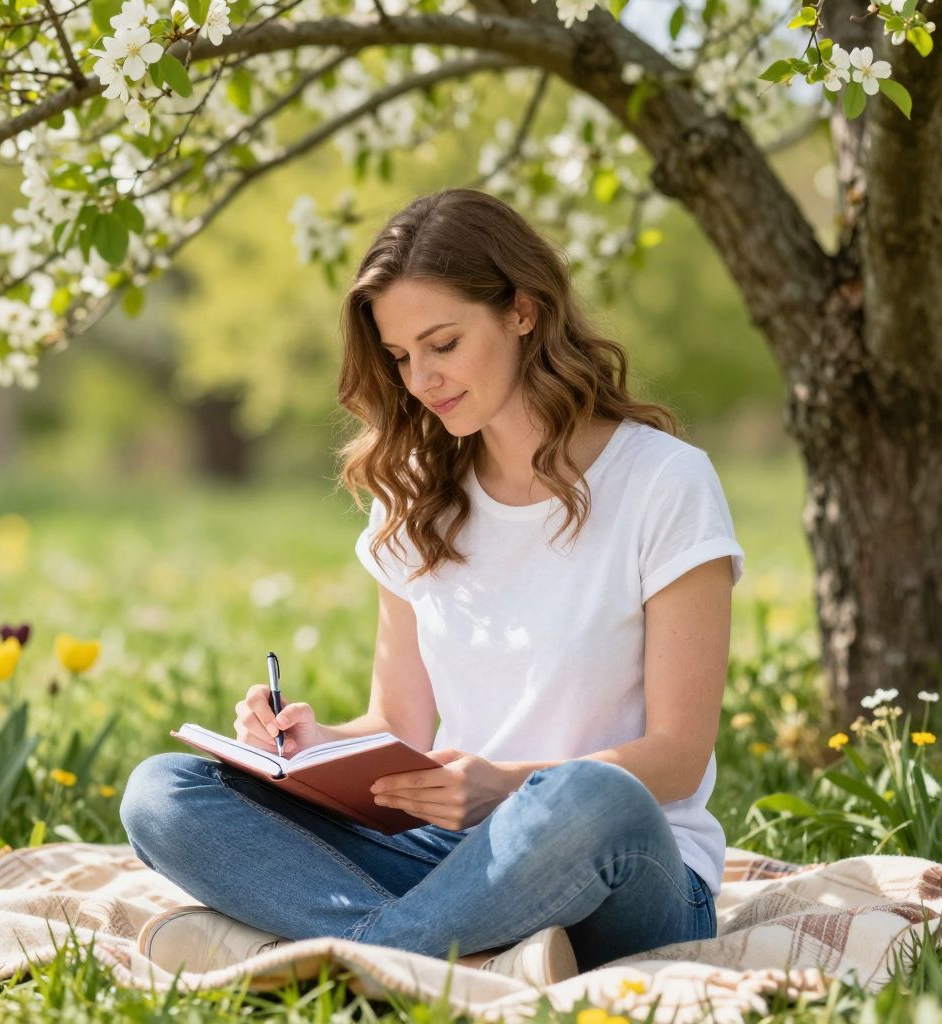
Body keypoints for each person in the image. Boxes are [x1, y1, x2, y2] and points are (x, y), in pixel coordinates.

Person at [120, 187, 743, 987]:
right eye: (401, 357)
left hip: (617, 860)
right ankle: (467, 957)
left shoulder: (664, 481)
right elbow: (397, 723)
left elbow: (678, 758)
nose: (422, 379)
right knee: (163, 792)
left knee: (590, 795)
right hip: (451, 857)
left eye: (442, 344)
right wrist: (311, 746)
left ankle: (346, 959)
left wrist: (506, 789)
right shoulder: (415, 494)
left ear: (522, 311)